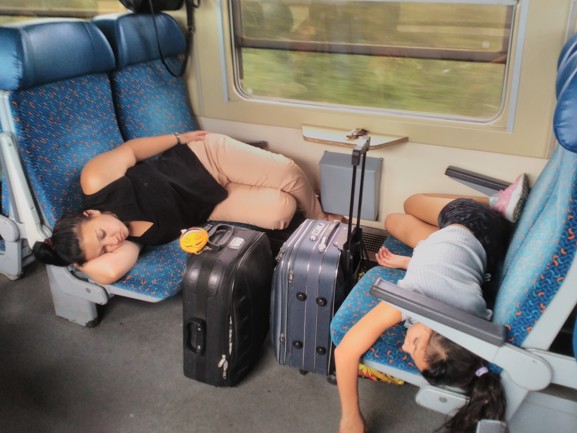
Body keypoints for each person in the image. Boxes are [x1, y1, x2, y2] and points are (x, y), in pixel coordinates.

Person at [334, 174, 529, 433]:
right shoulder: (415, 299)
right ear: (432, 328)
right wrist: (350, 417)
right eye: (414, 344)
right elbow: (345, 351)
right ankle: (497, 202)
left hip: (486, 246)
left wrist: (410, 263)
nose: (405, 346)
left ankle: (483, 213)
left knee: (396, 220)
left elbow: (447, 275)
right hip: (472, 219)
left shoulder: (477, 321)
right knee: (408, 205)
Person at [32, 131, 342, 285]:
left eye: (101, 234)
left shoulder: (96, 181)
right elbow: (109, 272)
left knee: (288, 173)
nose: (112, 241)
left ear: (91, 214)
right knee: (281, 211)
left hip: (206, 157)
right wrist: (77, 262)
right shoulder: (126, 244)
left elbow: (132, 150)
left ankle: (324, 222)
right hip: (212, 204)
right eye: (103, 249)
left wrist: (179, 137)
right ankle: (306, 201)